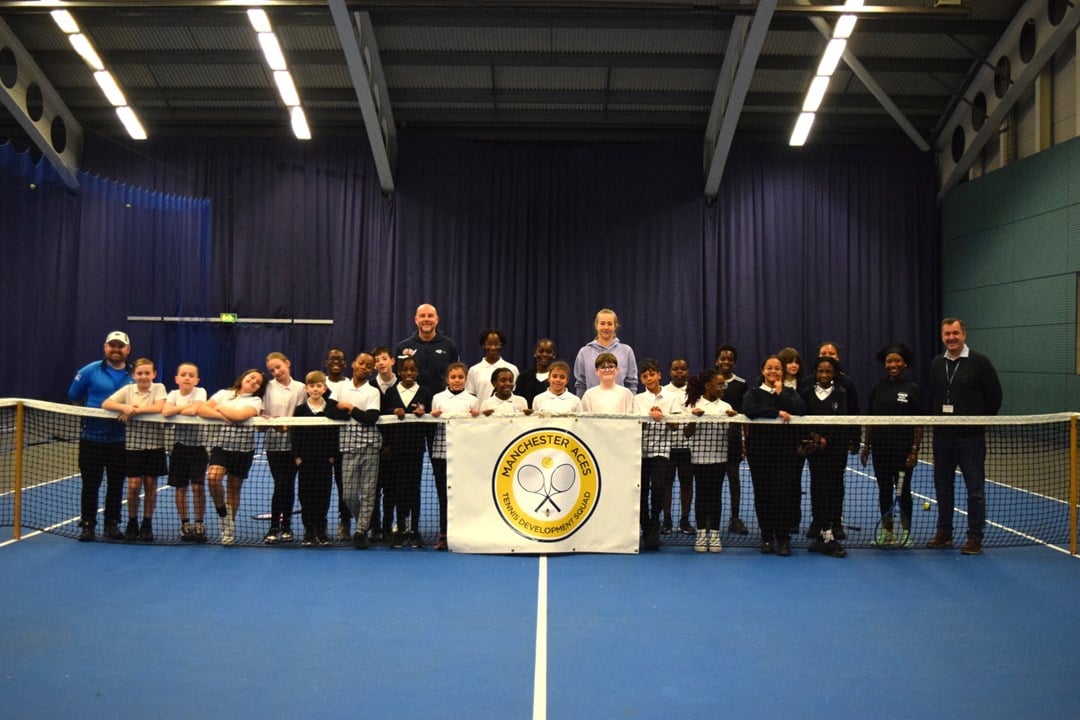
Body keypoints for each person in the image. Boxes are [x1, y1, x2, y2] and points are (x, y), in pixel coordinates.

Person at [928, 318, 1002, 555]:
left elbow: (995, 397)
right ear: (942, 337)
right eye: (947, 334)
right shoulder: (937, 364)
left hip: (971, 439)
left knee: (975, 490)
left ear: (964, 335)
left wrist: (978, 422)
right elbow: (936, 394)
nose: (951, 338)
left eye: (955, 333)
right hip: (943, 438)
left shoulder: (980, 362)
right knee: (942, 488)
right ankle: (944, 533)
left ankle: (974, 537)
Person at [68, 330, 134, 542]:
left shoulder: (136, 375)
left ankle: (112, 525)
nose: (116, 349)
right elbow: (75, 397)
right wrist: (89, 418)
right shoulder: (89, 371)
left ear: (127, 349)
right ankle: (87, 525)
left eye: (120, 346)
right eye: (112, 345)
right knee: (90, 484)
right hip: (91, 440)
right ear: (105, 347)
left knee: (116, 484)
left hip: (121, 442)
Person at [742, 355, 806, 556]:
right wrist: (777, 412)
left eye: (777, 368)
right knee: (763, 494)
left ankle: (783, 538)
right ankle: (767, 536)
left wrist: (781, 395)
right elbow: (750, 410)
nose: (773, 371)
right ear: (763, 371)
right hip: (759, 452)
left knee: (783, 494)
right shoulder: (753, 393)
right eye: (769, 368)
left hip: (785, 453)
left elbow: (801, 410)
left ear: (783, 372)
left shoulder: (790, 393)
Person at [861, 342, 923, 547]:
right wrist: (866, 446)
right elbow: (870, 420)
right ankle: (886, 532)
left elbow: (919, 424)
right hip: (880, 450)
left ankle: (906, 533)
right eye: (889, 361)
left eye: (897, 360)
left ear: (904, 363)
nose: (893, 364)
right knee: (884, 490)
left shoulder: (913, 389)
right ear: (885, 365)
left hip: (903, 451)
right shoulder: (878, 388)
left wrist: (915, 450)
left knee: (904, 492)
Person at [102, 357, 167, 542]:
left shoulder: (159, 388)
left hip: (155, 446)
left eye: (148, 373)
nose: (144, 376)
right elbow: (106, 404)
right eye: (140, 373)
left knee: (151, 485)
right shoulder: (128, 390)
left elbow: (160, 406)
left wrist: (135, 411)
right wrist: (125, 406)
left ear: (154, 374)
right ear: (133, 375)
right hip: (133, 447)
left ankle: (147, 524)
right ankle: (132, 522)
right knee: (133, 486)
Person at [197, 369, 266, 545]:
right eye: (251, 377)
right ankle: (223, 514)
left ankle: (229, 527)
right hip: (221, 447)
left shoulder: (256, 401)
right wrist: (221, 414)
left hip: (243, 451)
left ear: (259, 388)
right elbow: (202, 409)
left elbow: (240, 416)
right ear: (243, 377)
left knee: (234, 489)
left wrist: (220, 407)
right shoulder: (223, 393)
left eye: (257, 382)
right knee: (213, 477)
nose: (253, 382)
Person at [798, 356, 855, 558]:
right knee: (818, 488)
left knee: (833, 488)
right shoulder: (806, 393)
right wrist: (815, 439)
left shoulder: (840, 394)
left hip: (836, 451)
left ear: (835, 374)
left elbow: (841, 422)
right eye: (820, 371)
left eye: (828, 372)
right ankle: (824, 533)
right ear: (815, 372)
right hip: (815, 452)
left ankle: (829, 532)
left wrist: (827, 440)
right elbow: (802, 420)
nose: (824, 375)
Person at [380, 356, 434, 548]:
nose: (409, 373)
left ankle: (414, 529)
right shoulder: (390, 392)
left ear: (417, 372)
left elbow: (428, 416)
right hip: (394, 451)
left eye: (413, 370)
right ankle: (400, 527)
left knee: (414, 489)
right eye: (406, 370)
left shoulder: (425, 392)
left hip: (415, 450)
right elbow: (383, 415)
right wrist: (394, 411)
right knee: (396, 489)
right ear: (400, 372)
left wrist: (423, 413)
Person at [292, 371, 349, 546]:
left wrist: (332, 455)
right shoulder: (300, 410)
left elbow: (336, 432)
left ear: (324, 388)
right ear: (306, 388)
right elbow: (295, 434)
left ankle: (321, 530)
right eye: (312, 386)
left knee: (323, 495)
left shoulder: (330, 408)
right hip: (306, 461)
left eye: (319, 386)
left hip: (325, 461)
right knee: (306, 495)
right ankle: (309, 531)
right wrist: (297, 456)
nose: (315, 389)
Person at [334, 351, 383, 550]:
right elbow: (330, 409)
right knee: (349, 495)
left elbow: (371, 417)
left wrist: (348, 407)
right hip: (347, 447)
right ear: (353, 364)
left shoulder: (373, 392)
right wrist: (349, 412)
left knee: (369, 493)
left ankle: (361, 531)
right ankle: (364, 520)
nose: (364, 367)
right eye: (361, 363)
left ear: (372, 371)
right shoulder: (340, 387)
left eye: (368, 366)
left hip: (371, 447)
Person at [683, 368, 735, 553]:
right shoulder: (693, 404)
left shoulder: (726, 406)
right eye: (720, 385)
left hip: (720, 458)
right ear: (708, 386)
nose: (723, 388)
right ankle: (701, 534)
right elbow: (687, 434)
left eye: (724, 384)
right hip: (698, 458)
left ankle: (714, 534)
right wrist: (694, 418)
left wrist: (732, 422)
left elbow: (730, 437)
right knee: (701, 496)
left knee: (716, 496)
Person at [430, 361, 480, 550]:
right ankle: (444, 534)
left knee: (463, 494)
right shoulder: (438, 398)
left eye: (460, 377)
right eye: (453, 377)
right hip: (440, 453)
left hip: (464, 454)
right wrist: (431, 416)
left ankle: (464, 533)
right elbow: (431, 423)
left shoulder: (472, 400)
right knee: (444, 495)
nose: (457, 380)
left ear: (466, 379)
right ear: (447, 379)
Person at [262, 352, 307, 544]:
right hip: (273, 445)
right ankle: (275, 526)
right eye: (272, 370)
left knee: (287, 484)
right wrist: (271, 423)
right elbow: (262, 412)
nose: (276, 372)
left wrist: (288, 426)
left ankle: (285, 526)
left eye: (279, 367)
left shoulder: (300, 388)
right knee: (281, 484)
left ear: (288, 363)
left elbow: (300, 413)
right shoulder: (267, 387)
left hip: (294, 445)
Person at [162, 362, 209, 543]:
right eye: (183, 374)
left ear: (196, 380)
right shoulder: (173, 394)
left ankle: (199, 523)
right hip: (179, 448)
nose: (187, 378)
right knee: (181, 488)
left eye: (191, 375)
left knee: (197, 487)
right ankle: (185, 524)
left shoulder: (201, 392)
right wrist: (183, 410)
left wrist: (177, 411)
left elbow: (196, 409)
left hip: (199, 448)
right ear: (176, 378)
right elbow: (166, 412)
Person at [633, 359, 676, 551]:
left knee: (658, 486)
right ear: (641, 380)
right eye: (644, 376)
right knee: (640, 491)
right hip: (639, 452)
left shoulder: (671, 397)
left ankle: (655, 523)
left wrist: (663, 416)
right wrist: (647, 417)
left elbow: (677, 425)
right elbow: (632, 426)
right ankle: (646, 527)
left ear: (659, 375)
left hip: (661, 452)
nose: (649, 379)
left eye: (652, 374)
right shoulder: (637, 400)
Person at [714, 345, 749, 535]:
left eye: (730, 358)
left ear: (734, 362)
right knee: (714, 480)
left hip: (733, 439)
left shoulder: (741, 385)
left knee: (734, 478)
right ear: (716, 361)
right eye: (723, 358)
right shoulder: (710, 382)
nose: (726, 361)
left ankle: (735, 518)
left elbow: (744, 416)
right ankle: (712, 518)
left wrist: (745, 440)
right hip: (711, 440)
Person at [368, 345, 398, 542]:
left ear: (392, 361)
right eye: (377, 360)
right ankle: (374, 527)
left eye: (384, 358)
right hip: (372, 446)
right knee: (373, 489)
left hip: (396, 447)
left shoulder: (403, 385)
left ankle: (388, 526)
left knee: (392, 489)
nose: (381, 362)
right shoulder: (370, 386)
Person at [395, 303, 460, 396]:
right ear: (416, 320)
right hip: (411, 402)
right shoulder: (403, 346)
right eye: (422, 316)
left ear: (437, 319)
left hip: (441, 403)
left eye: (430, 316)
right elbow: (397, 377)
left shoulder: (450, 346)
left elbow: (455, 376)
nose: (426, 319)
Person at [323, 347, 352, 540]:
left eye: (339, 359)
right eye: (332, 358)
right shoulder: (319, 383)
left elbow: (347, 412)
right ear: (326, 363)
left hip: (345, 443)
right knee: (321, 487)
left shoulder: (350, 385)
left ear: (345, 364)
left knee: (345, 487)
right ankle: (320, 523)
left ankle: (345, 523)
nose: (335, 361)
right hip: (322, 444)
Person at [574, 308, 638, 396]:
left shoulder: (626, 351)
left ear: (615, 326)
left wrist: (630, 404)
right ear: (596, 325)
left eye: (610, 324)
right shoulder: (584, 352)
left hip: (620, 405)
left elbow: (631, 383)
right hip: (592, 405)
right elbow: (581, 384)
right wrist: (582, 407)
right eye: (602, 323)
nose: (606, 327)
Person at [662, 358, 693, 535]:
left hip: (688, 448)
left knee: (687, 484)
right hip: (668, 447)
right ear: (670, 372)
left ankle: (685, 519)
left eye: (683, 369)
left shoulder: (694, 391)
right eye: (675, 369)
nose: (679, 372)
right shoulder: (664, 391)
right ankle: (666, 519)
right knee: (667, 484)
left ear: (688, 371)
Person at [466, 328, 519, 402]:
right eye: (489, 344)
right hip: (481, 412)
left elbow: (515, 394)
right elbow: (471, 395)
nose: (493, 348)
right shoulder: (474, 370)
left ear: (501, 345)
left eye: (496, 344)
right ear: (483, 345)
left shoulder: (512, 369)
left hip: (506, 412)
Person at [515, 338, 556, 408]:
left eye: (548, 352)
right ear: (535, 353)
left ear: (554, 355)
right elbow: (518, 403)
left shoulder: (558, 378)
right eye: (541, 351)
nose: (544, 354)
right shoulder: (523, 378)